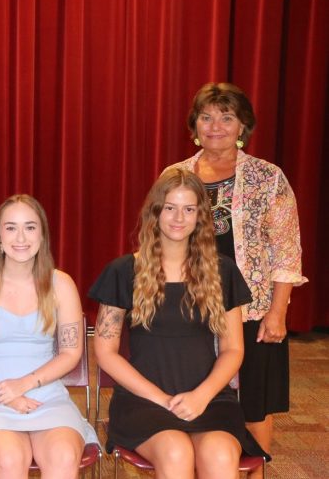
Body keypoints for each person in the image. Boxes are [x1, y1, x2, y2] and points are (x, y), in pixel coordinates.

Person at [165, 82, 306, 478]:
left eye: (227, 117)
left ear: (243, 125)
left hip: (253, 311)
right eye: (207, 116)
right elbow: (158, 241)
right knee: (197, 399)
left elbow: (287, 249)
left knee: (254, 402)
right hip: (189, 313)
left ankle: (255, 472)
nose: (216, 126)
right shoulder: (175, 176)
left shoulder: (268, 178)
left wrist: (277, 312)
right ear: (194, 125)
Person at [90, 169, 269, 479]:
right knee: (176, 451)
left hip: (209, 398)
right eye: (170, 207)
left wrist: (201, 396)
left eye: (189, 209)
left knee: (221, 454)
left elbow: (233, 349)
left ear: (200, 216)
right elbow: (105, 352)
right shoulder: (123, 271)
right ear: (155, 212)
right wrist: (161, 400)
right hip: (143, 400)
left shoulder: (222, 271)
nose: (178, 217)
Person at [0, 194, 98, 479]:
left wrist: (24, 384)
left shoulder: (61, 284)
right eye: (11, 227)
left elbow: (71, 353)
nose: (21, 237)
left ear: (42, 235)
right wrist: (7, 395)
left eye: (30, 227)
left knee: (64, 458)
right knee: (10, 459)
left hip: (48, 396)